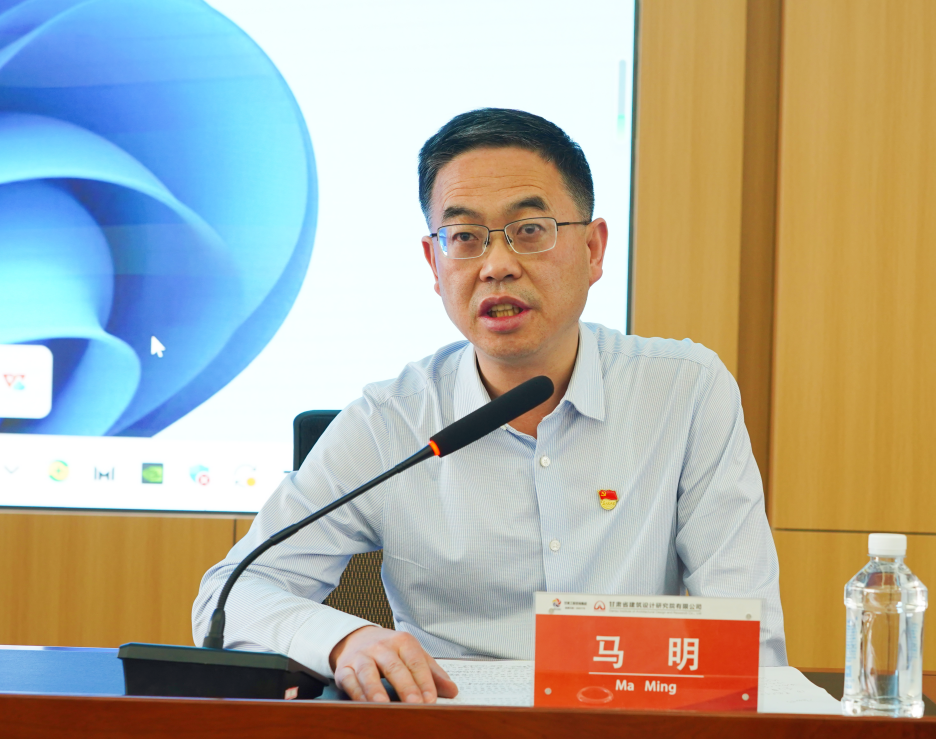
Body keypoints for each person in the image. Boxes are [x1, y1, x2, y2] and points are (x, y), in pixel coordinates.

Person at [193, 108, 786, 704]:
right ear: (435, 263)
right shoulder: (390, 421)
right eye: (465, 237)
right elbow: (229, 596)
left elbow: (749, 636)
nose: (497, 266)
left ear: (593, 249)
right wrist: (342, 641)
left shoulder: (685, 392)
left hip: (625, 724)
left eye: (530, 230)